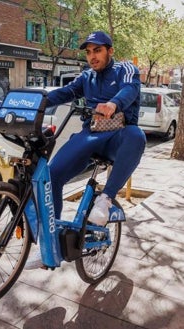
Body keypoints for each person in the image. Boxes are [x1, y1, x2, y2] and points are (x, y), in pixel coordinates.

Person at [25, 31, 146, 269]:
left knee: (137, 136)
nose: (92, 56)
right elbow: (63, 93)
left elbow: (130, 90)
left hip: (117, 136)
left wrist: (113, 103)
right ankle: (50, 246)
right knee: (51, 177)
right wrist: (31, 99)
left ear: (110, 51)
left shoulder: (125, 70)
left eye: (97, 50)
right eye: (89, 52)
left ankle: (106, 199)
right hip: (89, 135)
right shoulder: (86, 77)